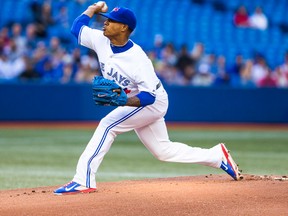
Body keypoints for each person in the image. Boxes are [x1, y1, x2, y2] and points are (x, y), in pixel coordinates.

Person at [54, 2, 242, 195]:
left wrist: (121, 101)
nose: (105, 23)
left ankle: (83, 179)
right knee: (163, 150)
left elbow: (148, 97)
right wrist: (92, 9)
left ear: (124, 27)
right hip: (140, 100)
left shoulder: (138, 59)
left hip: (152, 101)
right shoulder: (100, 39)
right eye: (106, 20)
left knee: (107, 125)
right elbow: (76, 29)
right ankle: (217, 156)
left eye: (111, 21)